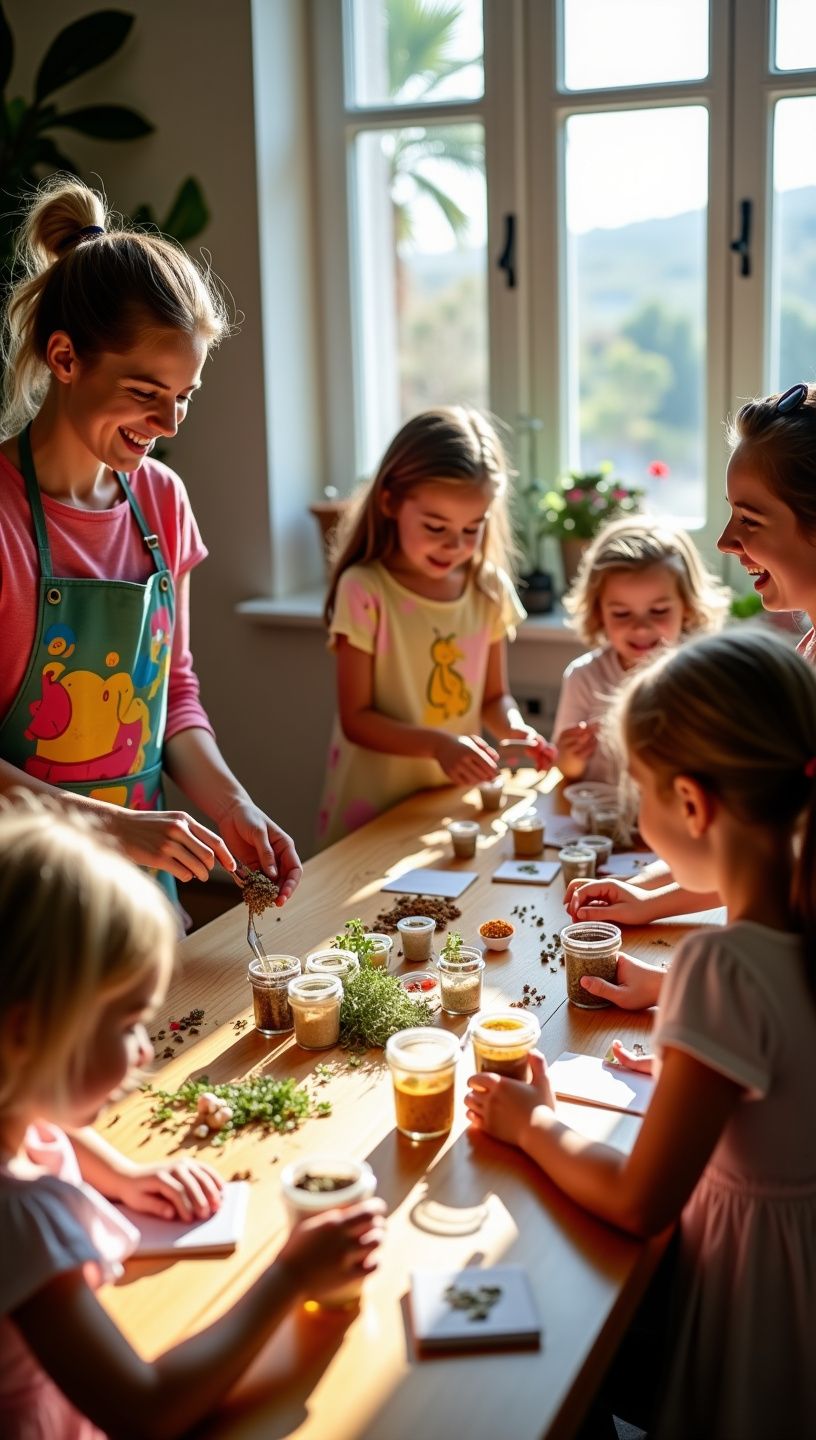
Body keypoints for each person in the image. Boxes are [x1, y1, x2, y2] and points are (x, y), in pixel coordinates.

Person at [466, 627, 816, 1438]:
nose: (640, 822)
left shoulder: (722, 968)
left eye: (644, 796)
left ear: (692, 805)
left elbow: (639, 1202)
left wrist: (531, 1123)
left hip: (762, 1298)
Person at [0, 794, 385, 1440]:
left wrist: (120, 1174)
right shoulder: (20, 1224)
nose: (145, 1050)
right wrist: (288, 1276)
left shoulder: (18, 1109)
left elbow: (51, 1127)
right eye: (126, 1026)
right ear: (26, 1033)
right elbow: (147, 1409)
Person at [0, 176, 301, 908]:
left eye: (185, 395)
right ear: (65, 358)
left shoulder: (163, 501)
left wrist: (232, 806)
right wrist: (112, 827)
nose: (169, 423)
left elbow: (173, 697)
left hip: (137, 896)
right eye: (145, 392)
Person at [566, 379, 816, 926]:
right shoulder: (806, 654)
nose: (726, 540)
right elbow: (764, 844)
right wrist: (645, 893)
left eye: (750, 519)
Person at [316, 407, 556, 848]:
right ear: (389, 501)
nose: (455, 545)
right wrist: (440, 746)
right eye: (435, 526)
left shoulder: (488, 589)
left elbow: (492, 697)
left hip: (451, 804)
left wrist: (514, 728)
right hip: (373, 807)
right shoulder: (364, 589)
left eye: (472, 528)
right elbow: (357, 720)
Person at [553, 515, 729, 782]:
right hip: (601, 818)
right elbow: (567, 770)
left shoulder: (703, 678)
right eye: (622, 613)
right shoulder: (584, 678)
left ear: (688, 607)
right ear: (599, 612)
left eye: (658, 611)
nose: (641, 628)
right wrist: (570, 757)